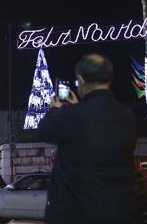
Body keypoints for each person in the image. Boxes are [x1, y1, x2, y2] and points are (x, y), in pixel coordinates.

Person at [37, 53, 137, 224]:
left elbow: (44, 131)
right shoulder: (127, 116)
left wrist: (55, 109)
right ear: (109, 80)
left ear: (82, 80)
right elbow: (94, 128)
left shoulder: (71, 116)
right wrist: (78, 108)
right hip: (119, 212)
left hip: (76, 214)